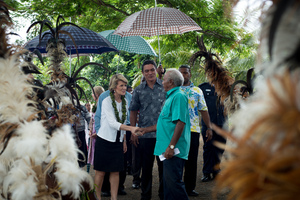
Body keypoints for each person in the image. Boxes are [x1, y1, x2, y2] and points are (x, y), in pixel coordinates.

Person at [135, 68, 191, 200]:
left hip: (173, 150)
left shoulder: (179, 96)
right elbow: (164, 123)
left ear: (171, 82)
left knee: (174, 186)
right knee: (168, 187)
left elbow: (180, 123)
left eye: (164, 79)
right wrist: (145, 130)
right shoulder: (171, 96)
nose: (162, 81)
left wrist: (171, 147)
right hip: (166, 149)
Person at [93, 74, 138, 200]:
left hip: (117, 141)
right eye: (121, 85)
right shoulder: (107, 101)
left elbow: (122, 121)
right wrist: (132, 129)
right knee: (100, 171)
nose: (125, 88)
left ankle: (114, 198)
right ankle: (97, 197)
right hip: (104, 139)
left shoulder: (126, 101)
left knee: (116, 171)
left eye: (125, 85)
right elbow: (113, 123)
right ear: (114, 87)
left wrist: (123, 140)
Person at [130, 60, 165, 200]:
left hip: (163, 135)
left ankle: (163, 195)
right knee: (146, 169)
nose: (150, 73)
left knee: (163, 168)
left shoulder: (165, 86)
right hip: (145, 136)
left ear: (156, 70)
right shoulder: (138, 90)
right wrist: (133, 131)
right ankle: (146, 196)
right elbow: (133, 111)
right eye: (146, 71)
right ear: (143, 73)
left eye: (152, 70)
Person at [179, 65, 213, 196]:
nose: (183, 75)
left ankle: (189, 188)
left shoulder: (197, 91)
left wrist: (209, 127)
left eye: (185, 73)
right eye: (180, 73)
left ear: (190, 74)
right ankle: (178, 187)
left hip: (193, 130)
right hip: (177, 130)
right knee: (178, 160)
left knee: (191, 160)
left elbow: (203, 110)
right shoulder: (174, 90)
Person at [199, 82, 227, 182]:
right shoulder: (203, 87)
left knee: (220, 148)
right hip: (208, 124)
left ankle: (216, 171)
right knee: (208, 147)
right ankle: (206, 172)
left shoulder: (226, 86)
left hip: (223, 123)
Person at [87, 86, 105, 173]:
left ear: (96, 94)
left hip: (99, 132)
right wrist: (90, 129)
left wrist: (97, 133)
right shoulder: (95, 104)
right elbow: (92, 119)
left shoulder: (102, 104)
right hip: (94, 131)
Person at [77, 103, 91, 168]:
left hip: (80, 132)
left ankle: (81, 164)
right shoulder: (64, 107)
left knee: (81, 150)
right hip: (69, 133)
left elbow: (88, 118)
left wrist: (90, 129)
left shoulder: (82, 107)